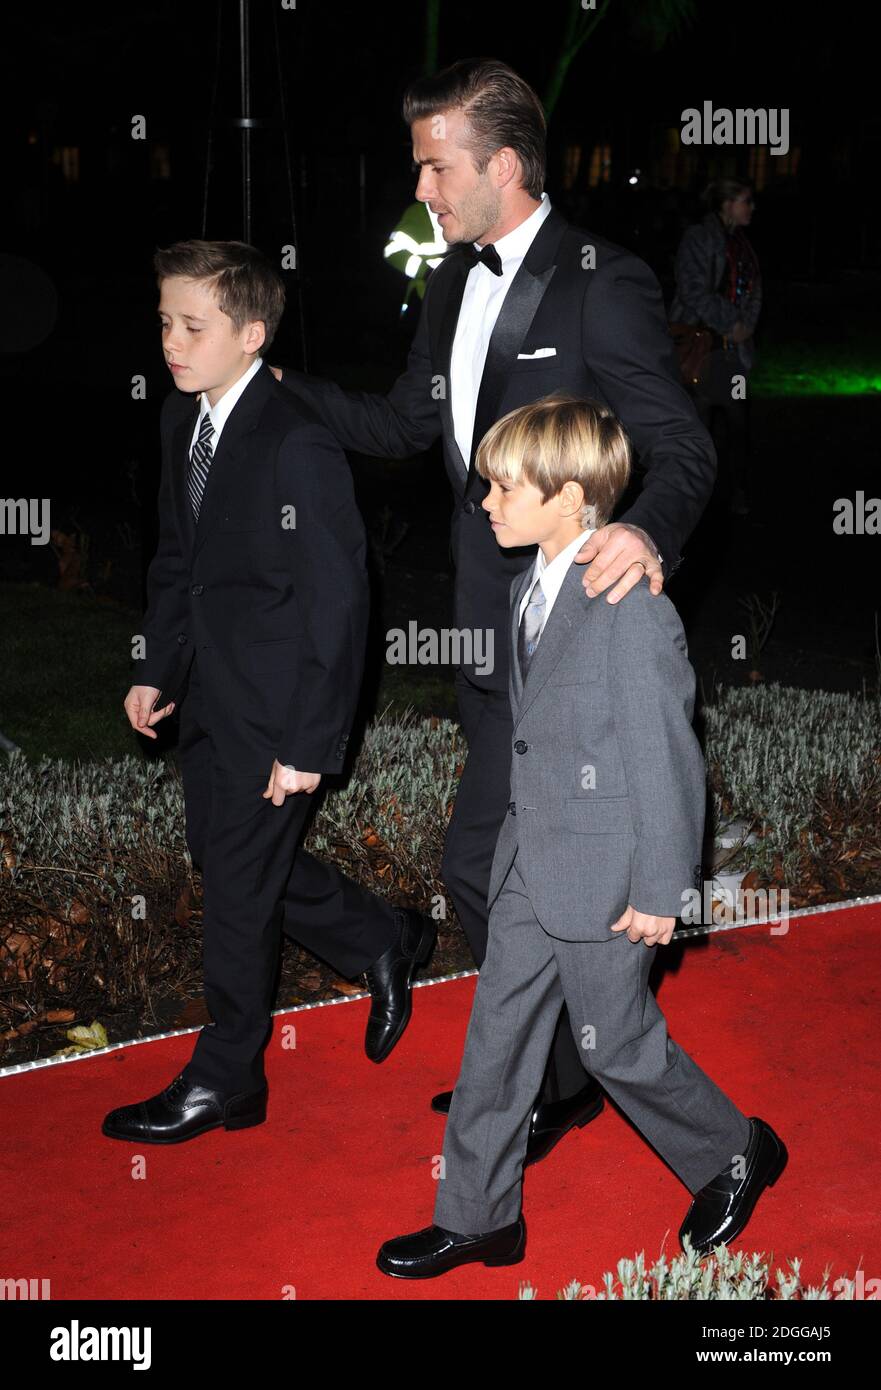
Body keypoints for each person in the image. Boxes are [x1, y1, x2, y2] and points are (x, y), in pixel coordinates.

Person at [270, 57, 718, 1166]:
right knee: (489, 871)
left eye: (435, 166)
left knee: (495, 866)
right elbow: (395, 426)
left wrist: (643, 529)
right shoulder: (449, 285)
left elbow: (681, 444)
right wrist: (274, 389)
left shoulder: (598, 280)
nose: (420, 187)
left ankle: (579, 1077)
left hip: (580, 629)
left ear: (502, 166)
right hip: (488, 631)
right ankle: (557, 1079)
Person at [377, 394, 787, 1278]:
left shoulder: (629, 605)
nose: (484, 503)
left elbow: (668, 758)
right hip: (533, 857)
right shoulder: (533, 581)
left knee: (617, 1044)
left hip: (607, 871)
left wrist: (660, 890)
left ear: (568, 497)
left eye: (502, 488)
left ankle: (734, 1150)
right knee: (496, 1035)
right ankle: (479, 1215)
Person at [103, 240, 436, 1146]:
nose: (172, 342)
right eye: (165, 321)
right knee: (227, 858)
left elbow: (341, 603)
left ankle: (227, 1078)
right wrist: (155, 664)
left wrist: (308, 744)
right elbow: (179, 561)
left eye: (194, 326)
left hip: (283, 707)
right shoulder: (184, 421)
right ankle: (381, 938)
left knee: (239, 892)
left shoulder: (297, 440)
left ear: (252, 335)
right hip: (209, 691)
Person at [669, 179, 762, 515]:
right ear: (726, 204)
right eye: (745, 200)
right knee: (700, 425)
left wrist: (745, 326)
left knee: (738, 421)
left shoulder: (742, 245)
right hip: (703, 347)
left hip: (731, 353)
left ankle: (734, 491)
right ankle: (695, 500)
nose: (751, 207)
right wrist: (731, 322)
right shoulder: (700, 238)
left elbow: (753, 290)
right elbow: (693, 289)